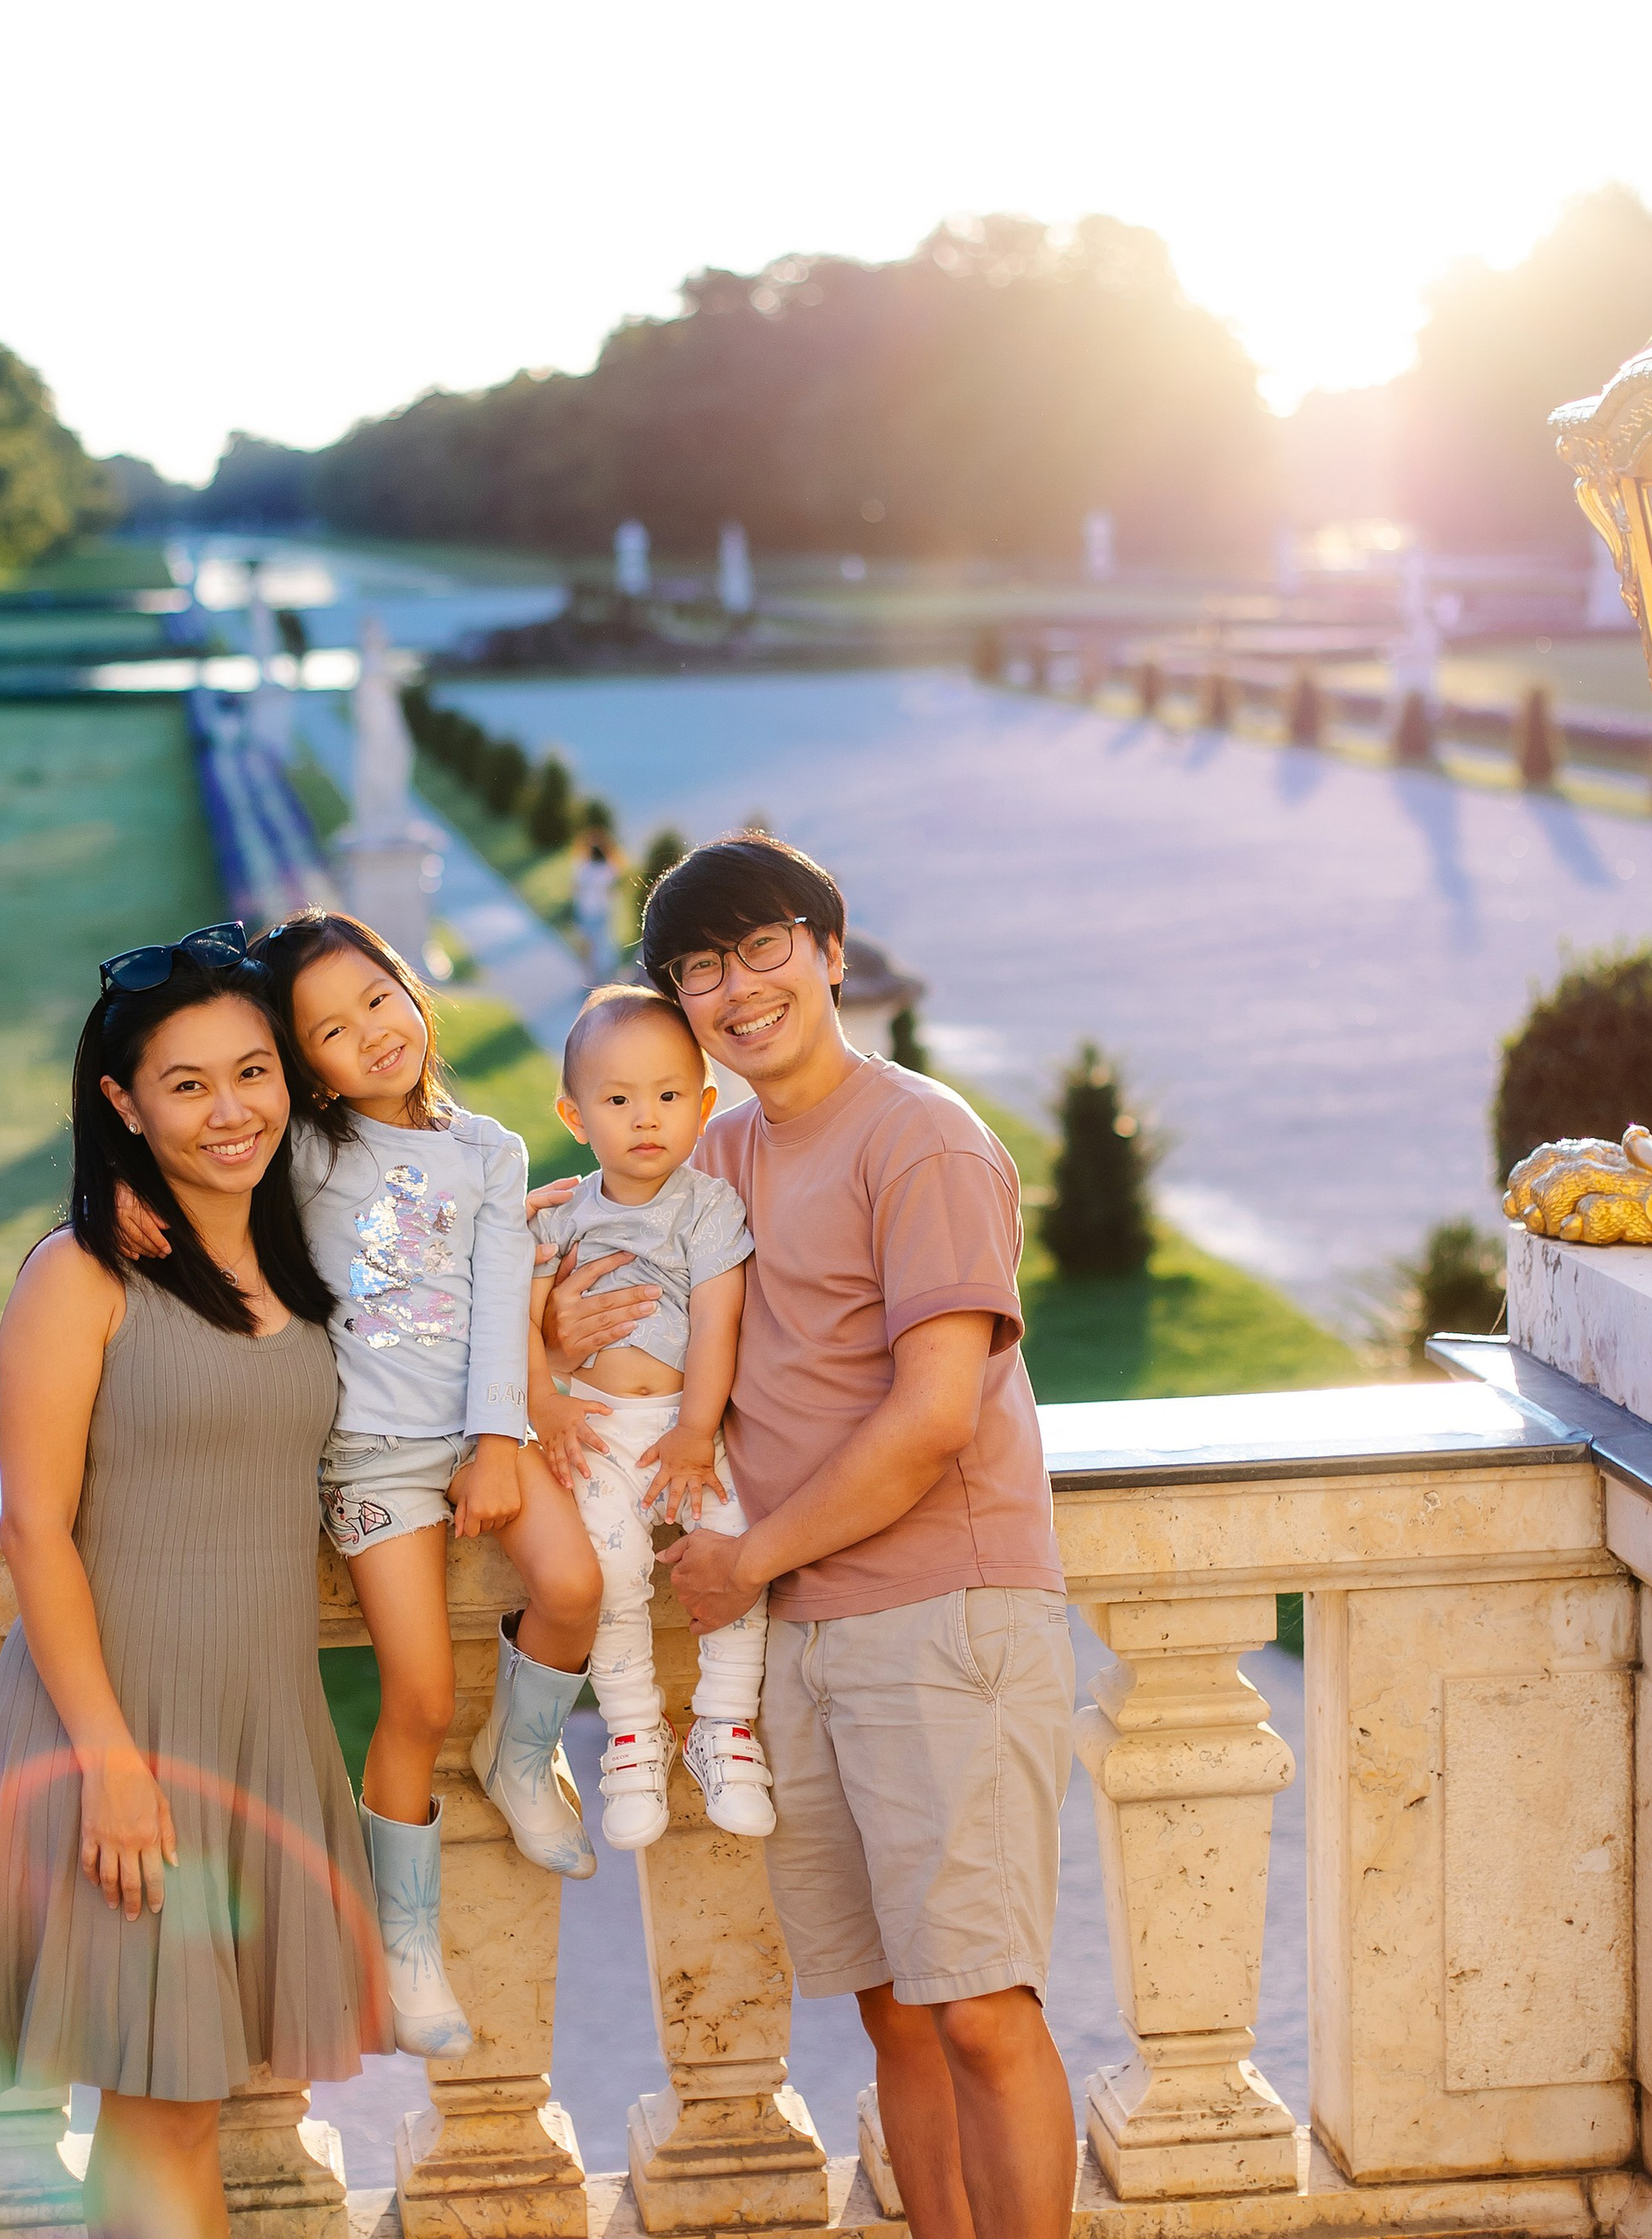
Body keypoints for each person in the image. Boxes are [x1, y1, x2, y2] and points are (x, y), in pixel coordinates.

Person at [540, 836, 1077, 2239]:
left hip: (940, 1616)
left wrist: (750, 1558)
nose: (736, 987)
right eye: (698, 969)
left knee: (981, 2014)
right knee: (895, 2019)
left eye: (764, 946)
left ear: (831, 951)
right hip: (796, 1633)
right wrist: (541, 1337)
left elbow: (935, 1418)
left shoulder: (925, 1139)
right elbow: (545, 1230)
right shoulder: (712, 1147)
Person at [0, 923, 387, 2239]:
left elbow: (453, 1220)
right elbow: (35, 1532)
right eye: (185, 1084)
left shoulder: (302, 1249)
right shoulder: (78, 1274)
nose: (229, 1109)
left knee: (187, 2101)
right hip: (121, 1736)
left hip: (254, 1723)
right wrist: (112, 1766)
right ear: (122, 1103)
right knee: (163, 2104)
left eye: (251, 1071)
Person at [118, 910, 603, 2058]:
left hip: (486, 1436)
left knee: (576, 1588)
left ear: (412, 987)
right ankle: (406, 1943)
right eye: (330, 1031)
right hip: (375, 1461)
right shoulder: (308, 1150)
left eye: (378, 999)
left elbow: (495, 1301)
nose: (371, 1035)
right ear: (307, 1066)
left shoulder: (490, 1150)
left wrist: (497, 1443)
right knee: (420, 1698)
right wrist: (125, 1196)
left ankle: (522, 1758)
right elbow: (197, 1149)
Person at [526, 985, 772, 1850]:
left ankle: (725, 1727)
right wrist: (544, 1400)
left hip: (686, 1423)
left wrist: (696, 1431)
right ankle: (633, 1734)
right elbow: (516, 1321)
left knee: (734, 1543)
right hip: (592, 1423)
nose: (645, 1119)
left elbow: (717, 1321)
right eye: (618, 1099)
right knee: (609, 1568)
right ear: (574, 1113)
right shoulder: (556, 1214)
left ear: (704, 1106)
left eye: (669, 1095)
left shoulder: (708, 1208)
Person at [571, 831, 623, 982]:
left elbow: (575, 886)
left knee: (588, 944)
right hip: (602, 909)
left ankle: (589, 976)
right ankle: (608, 975)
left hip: (585, 910)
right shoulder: (607, 869)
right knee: (604, 942)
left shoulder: (583, 868)